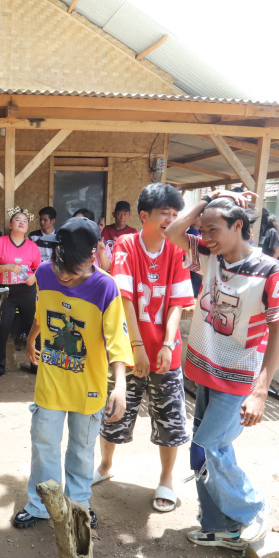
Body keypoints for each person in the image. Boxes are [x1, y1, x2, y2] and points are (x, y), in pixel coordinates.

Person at [164, 191, 279, 550]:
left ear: (239, 226)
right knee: (204, 452)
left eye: (214, 230)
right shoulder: (209, 257)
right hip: (205, 368)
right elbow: (174, 232)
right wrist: (207, 200)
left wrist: (261, 391)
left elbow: (278, 329)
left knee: (209, 447)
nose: (206, 238)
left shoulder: (270, 270)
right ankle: (220, 526)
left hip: (239, 376)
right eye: (203, 231)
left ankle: (252, 509)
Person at [11, 217, 132, 530]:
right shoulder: (43, 273)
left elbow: (117, 341)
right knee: (44, 443)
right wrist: (33, 335)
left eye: (73, 271)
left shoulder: (106, 287)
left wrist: (119, 386)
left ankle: (78, 503)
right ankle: (40, 504)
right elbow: (43, 309)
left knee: (81, 448)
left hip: (89, 384)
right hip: (51, 379)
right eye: (60, 266)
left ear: (91, 259)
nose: (63, 277)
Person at [97, 183, 195, 513]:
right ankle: (105, 465)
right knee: (114, 414)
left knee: (170, 420)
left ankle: (166, 478)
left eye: (174, 214)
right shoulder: (126, 244)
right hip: (129, 350)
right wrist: (137, 346)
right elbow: (124, 299)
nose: (170, 219)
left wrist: (168, 343)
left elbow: (177, 304)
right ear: (144, 216)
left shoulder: (177, 249)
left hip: (167, 352)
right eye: (164, 213)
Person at [0, 208, 41, 379]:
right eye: (17, 219)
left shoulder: (32, 246)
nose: (21, 222)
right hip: (5, 290)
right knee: (2, 328)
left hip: (27, 291)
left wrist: (34, 277)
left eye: (25, 220)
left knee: (35, 326)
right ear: (10, 224)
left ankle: (37, 364)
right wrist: (6, 267)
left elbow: (39, 268)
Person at [73, 208, 112, 272]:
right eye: (74, 221)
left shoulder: (101, 243)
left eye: (80, 221)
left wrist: (101, 252)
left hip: (95, 280)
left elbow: (107, 267)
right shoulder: (69, 241)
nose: (76, 224)